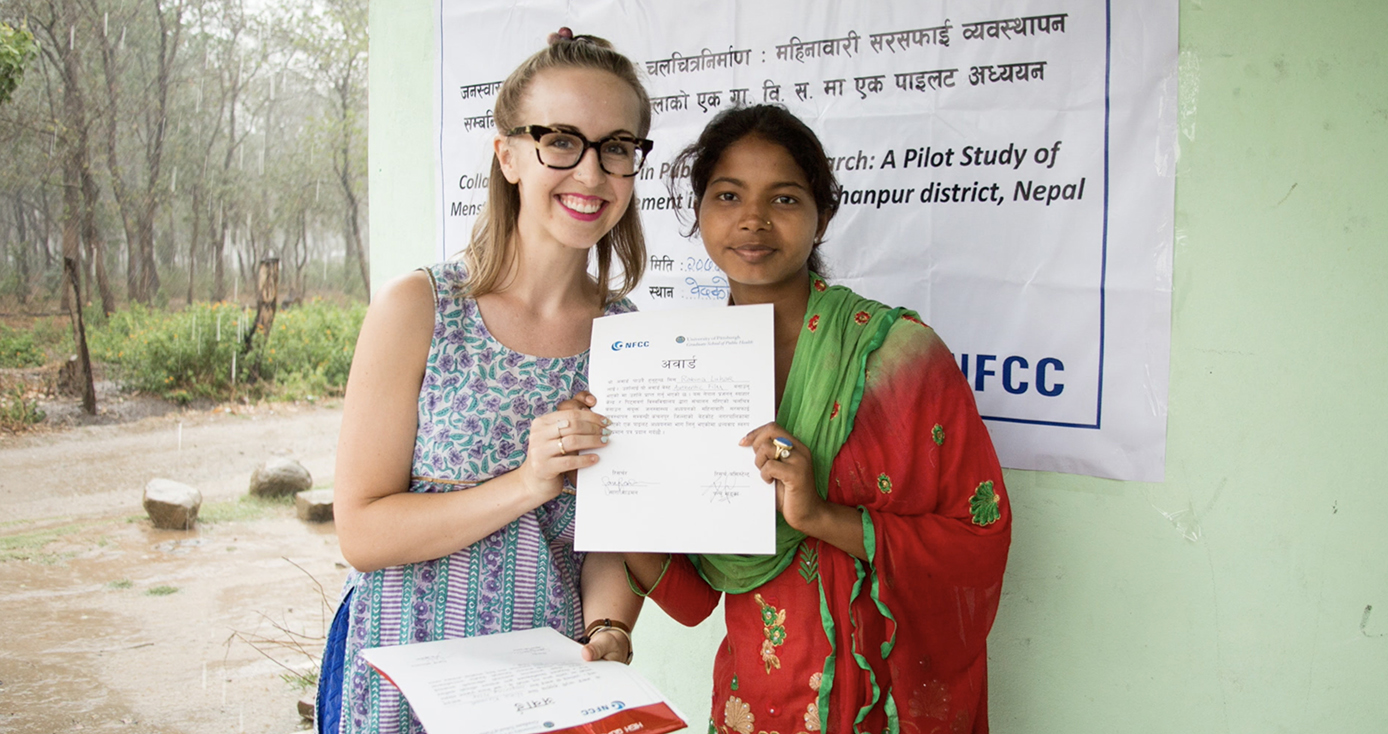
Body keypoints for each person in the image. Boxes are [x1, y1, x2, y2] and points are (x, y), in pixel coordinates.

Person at [624, 106, 1012, 734]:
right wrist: (608, 489)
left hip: (883, 704)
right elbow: (696, 599)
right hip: (760, 700)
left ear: (821, 216)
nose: (753, 219)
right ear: (698, 213)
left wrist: (819, 518)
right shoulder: (677, 372)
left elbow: (978, 539)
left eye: (783, 197)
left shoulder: (899, 356)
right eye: (727, 195)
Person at [318, 29, 655, 734]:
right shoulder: (420, 308)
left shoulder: (633, 337)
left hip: (547, 696)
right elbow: (362, 531)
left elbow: (608, 544)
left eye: (617, 147)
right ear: (507, 155)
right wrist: (527, 483)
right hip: (403, 684)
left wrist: (609, 629)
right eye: (560, 140)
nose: (590, 174)